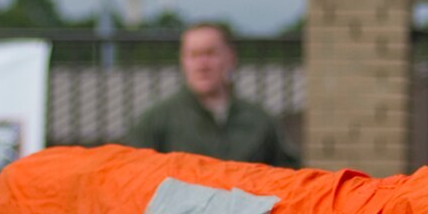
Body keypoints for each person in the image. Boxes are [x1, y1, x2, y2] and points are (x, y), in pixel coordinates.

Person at [125, 22, 299, 167]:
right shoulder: (157, 121)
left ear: (230, 57)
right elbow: (132, 181)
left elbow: (289, 179)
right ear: (183, 61)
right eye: (194, 55)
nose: (202, 64)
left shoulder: (260, 121)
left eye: (210, 53)